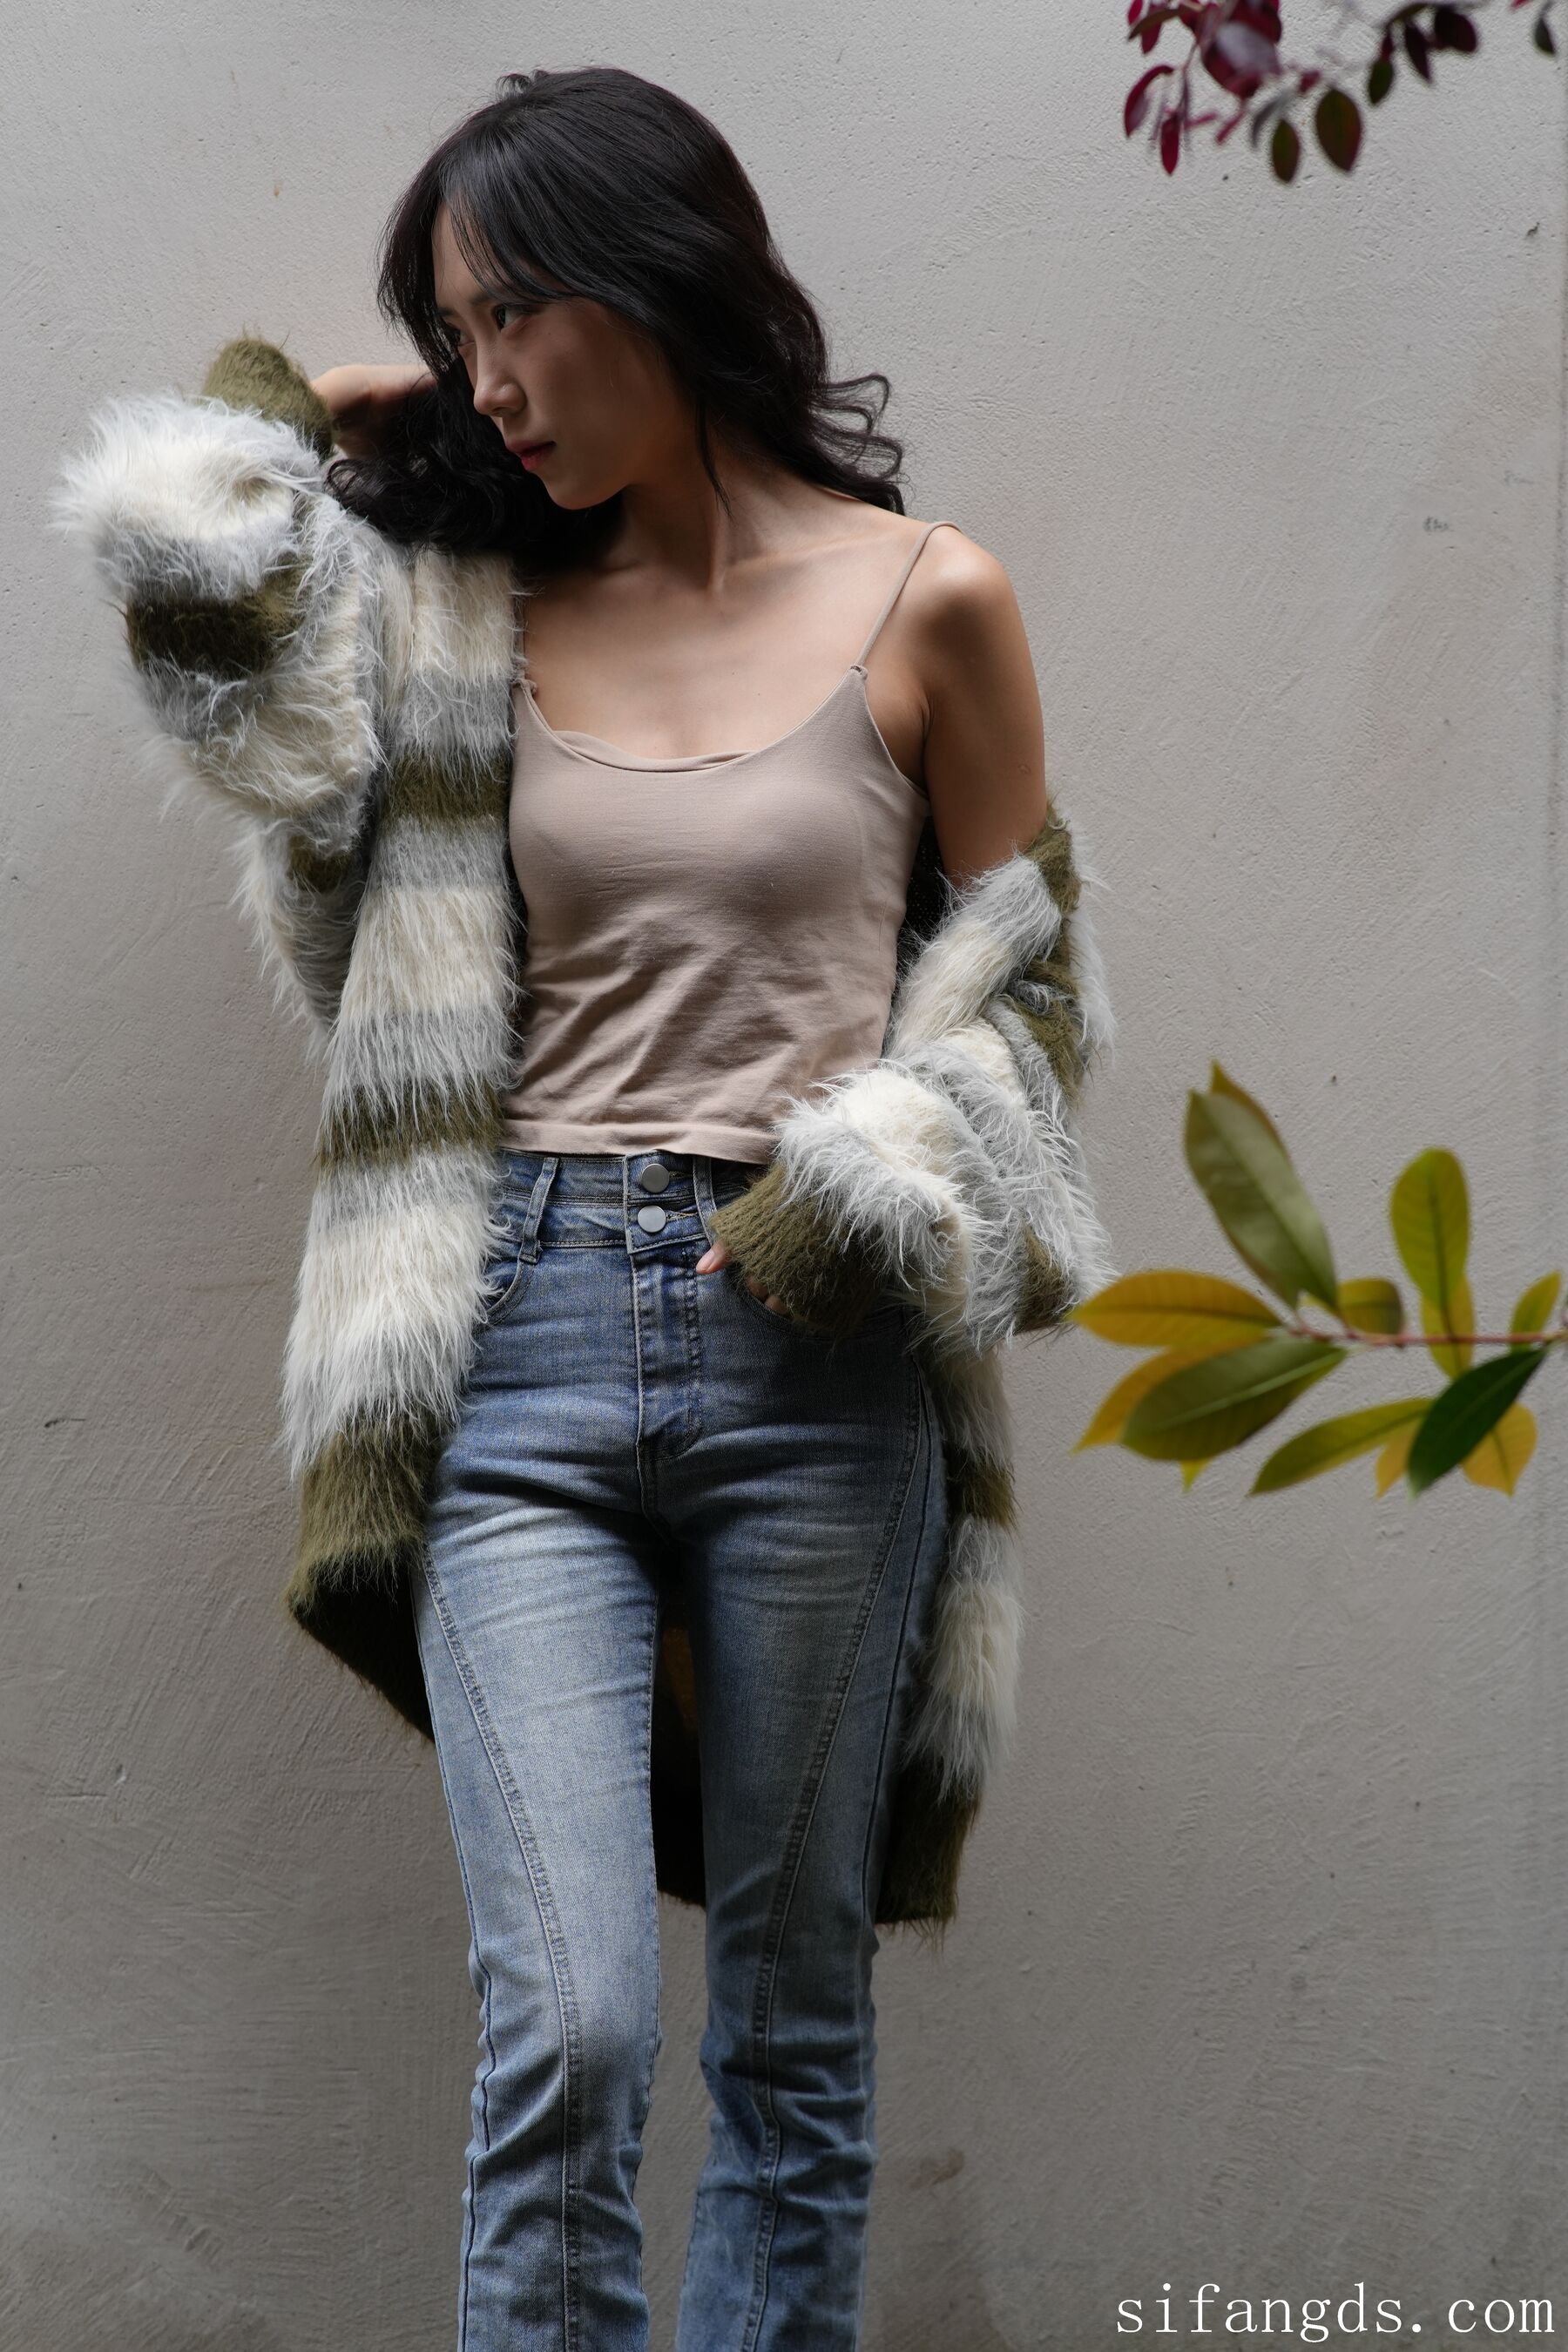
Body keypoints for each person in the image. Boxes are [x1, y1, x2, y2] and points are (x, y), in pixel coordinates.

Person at [54, 62, 1115, 2352]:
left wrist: (852, 1201)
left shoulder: (934, 601)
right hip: (505, 1336)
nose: (492, 381)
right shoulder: (458, 604)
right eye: (456, 336)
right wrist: (291, 415)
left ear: (663, 276)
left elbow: (1034, 1012)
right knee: (574, 2021)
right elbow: (219, 659)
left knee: (795, 2025)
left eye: (516, 313)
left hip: (816, 1351)